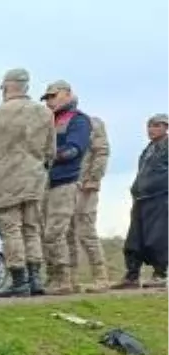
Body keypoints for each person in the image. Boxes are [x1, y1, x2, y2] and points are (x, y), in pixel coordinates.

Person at [0, 68, 55, 297]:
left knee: (10, 230)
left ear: (7, 87)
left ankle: (19, 280)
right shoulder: (45, 113)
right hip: (35, 178)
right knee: (32, 228)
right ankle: (35, 278)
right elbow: (51, 151)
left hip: (5, 180)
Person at [39, 80, 93, 295]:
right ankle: (62, 278)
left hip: (66, 181)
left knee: (54, 233)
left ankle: (62, 279)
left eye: (53, 96)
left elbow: (74, 149)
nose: (49, 101)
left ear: (68, 94)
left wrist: (46, 157)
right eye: (47, 98)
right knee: (56, 233)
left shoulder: (78, 120)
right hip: (46, 182)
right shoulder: (49, 121)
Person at [116, 113, 169, 290]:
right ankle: (131, 276)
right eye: (150, 125)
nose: (151, 129)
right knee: (134, 239)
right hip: (141, 198)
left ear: (166, 127)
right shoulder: (148, 149)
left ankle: (160, 274)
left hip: (161, 198)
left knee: (157, 238)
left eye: (157, 125)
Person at [68, 113, 111, 293]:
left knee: (86, 230)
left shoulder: (91, 122)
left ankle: (101, 277)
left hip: (85, 184)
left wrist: (94, 178)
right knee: (66, 232)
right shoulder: (59, 122)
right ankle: (70, 278)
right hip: (65, 184)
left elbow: (101, 151)